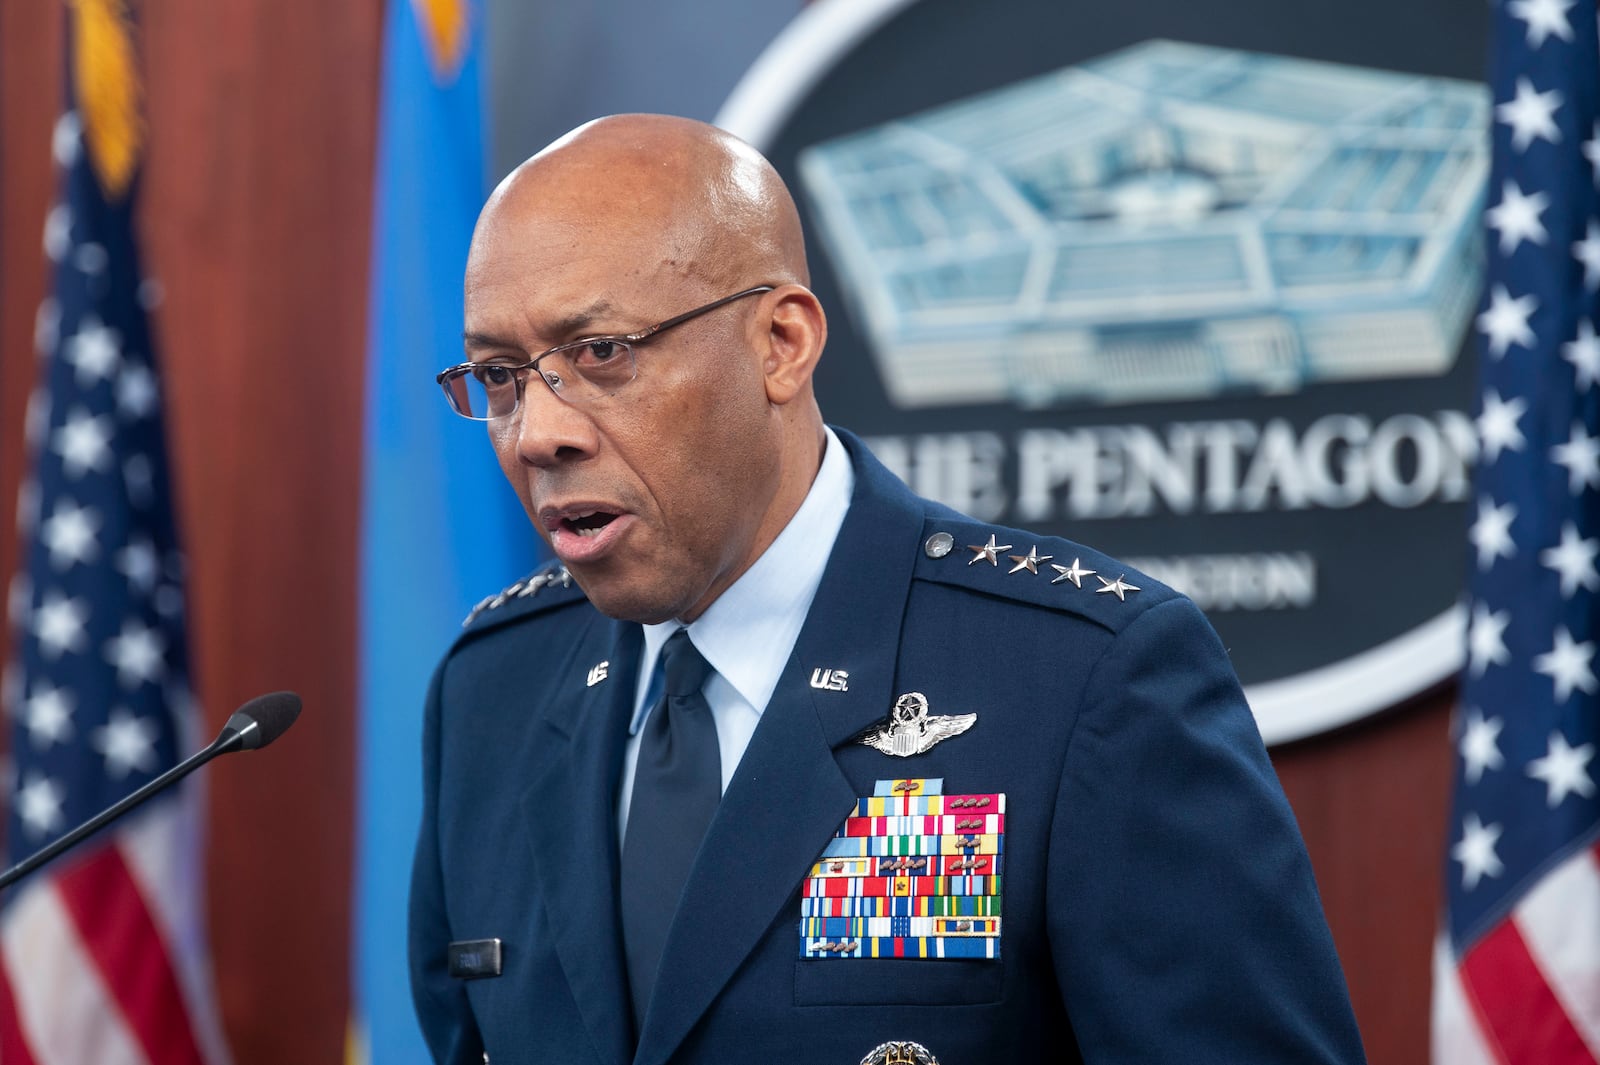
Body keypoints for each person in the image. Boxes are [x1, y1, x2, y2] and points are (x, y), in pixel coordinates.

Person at [408, 113, 1366, 1065]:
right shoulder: (492, 688)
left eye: (601, 354)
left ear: (781, 342)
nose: (537, 433)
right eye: (500, 376)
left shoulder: (1082, 678)